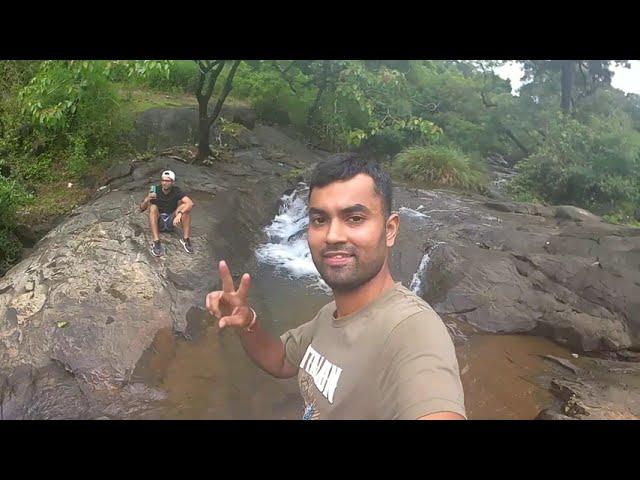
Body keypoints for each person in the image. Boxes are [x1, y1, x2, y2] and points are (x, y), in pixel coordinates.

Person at [205, 154, 466, 419]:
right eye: (320, 220)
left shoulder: (413, 329)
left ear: (390, 229)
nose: (332, 236)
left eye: (354, 218)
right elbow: (282, 360)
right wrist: (248, 322)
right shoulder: (330, 315)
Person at [140, 170, 195, 256]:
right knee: (153, 207)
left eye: (167, 181)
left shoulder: (176, 191)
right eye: (163, 180)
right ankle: (156, 242)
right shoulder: (155, 190)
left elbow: (190, 203)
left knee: (185, 208)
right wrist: (147, 199)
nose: (164, 183)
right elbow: (142, 209)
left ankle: (185, 239)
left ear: (172, 182)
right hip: (158, 222)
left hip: (171, 220)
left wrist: (180, 214)